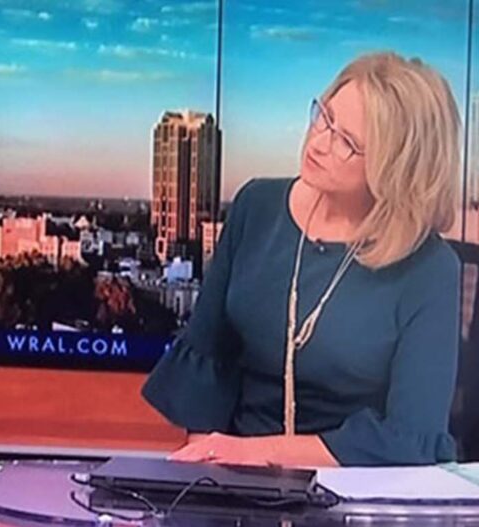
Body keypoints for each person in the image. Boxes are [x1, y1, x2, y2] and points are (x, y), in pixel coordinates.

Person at [143, 52, 462, 468]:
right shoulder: (255, 206)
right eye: (324, 117)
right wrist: (210, 468)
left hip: (352, 492)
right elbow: (208, 361)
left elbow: (409, 438)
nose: (318, 142)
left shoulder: (430, 270)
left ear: (396, 170)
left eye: (347, 142)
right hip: (233, 479)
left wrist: (258, 453)